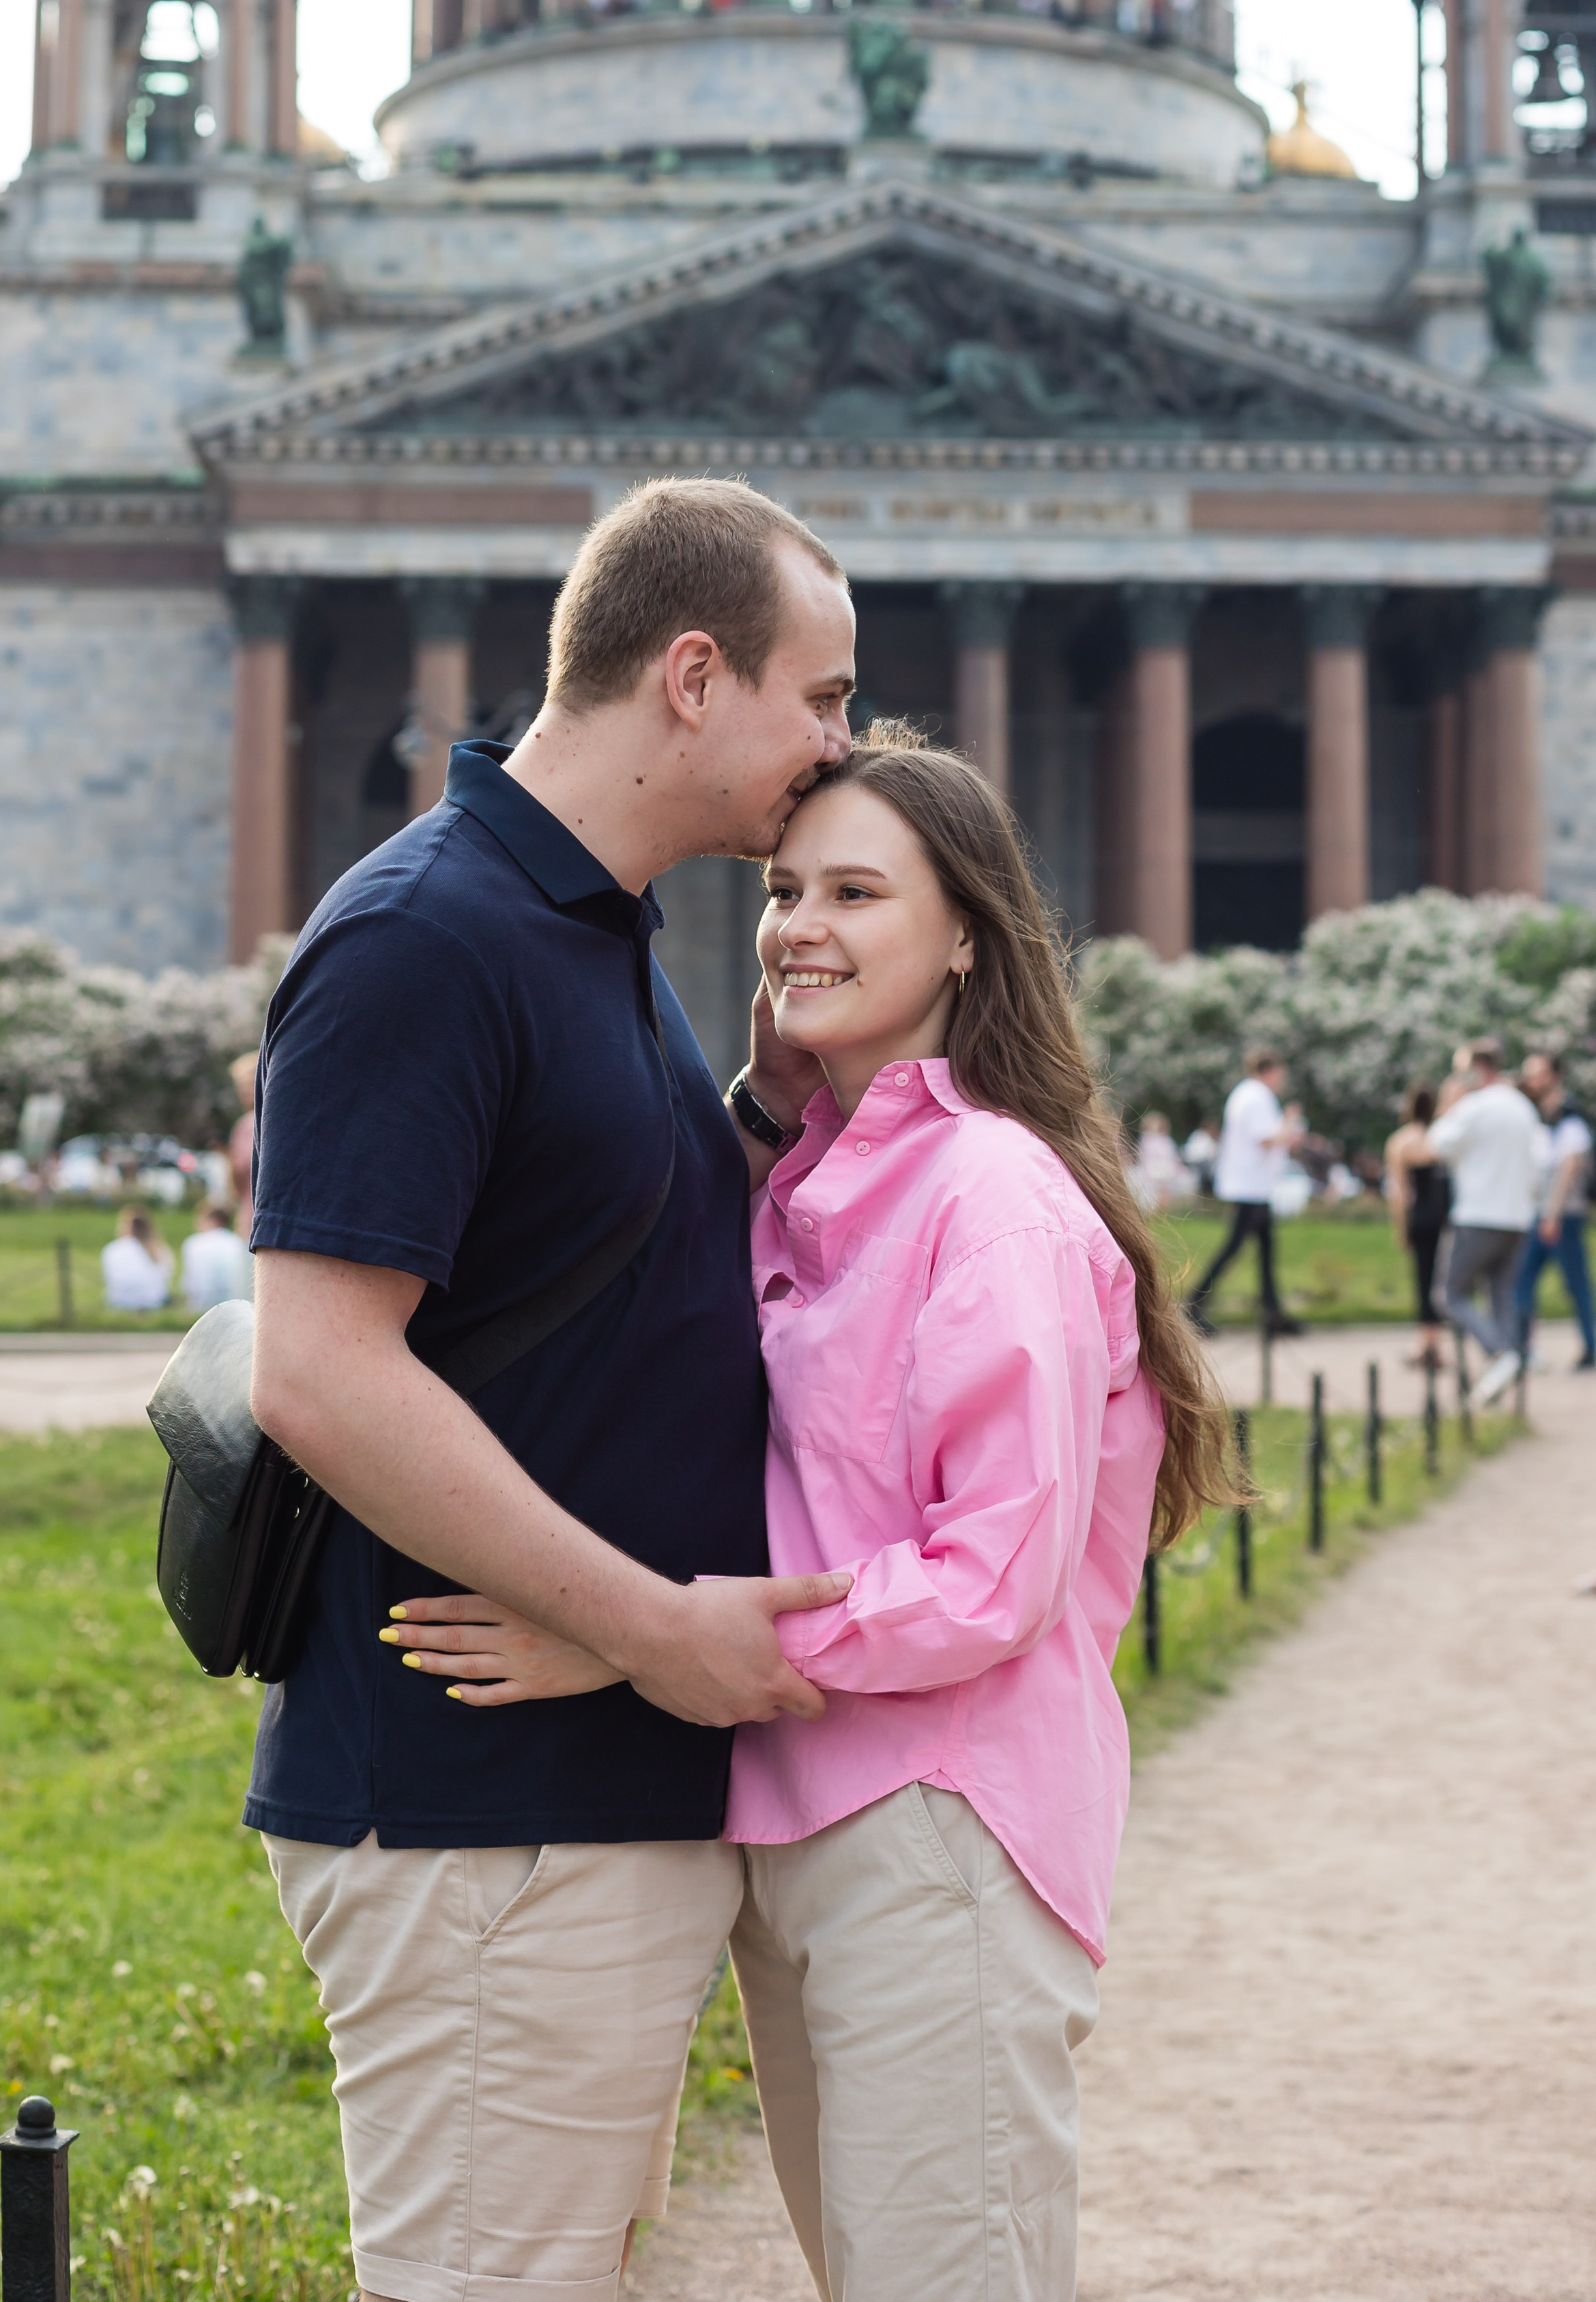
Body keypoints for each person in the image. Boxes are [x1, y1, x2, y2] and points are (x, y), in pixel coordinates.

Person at [392, 727, 1232, 2302]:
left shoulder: (990, 1187)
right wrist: (761, 1118)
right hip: (803, 1817)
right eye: (785, 888)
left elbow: (990, 1573)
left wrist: (652, 1642)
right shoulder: (819, 1176)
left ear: (965, 931)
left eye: (856, 890)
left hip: (938, 1817)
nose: (798, 925)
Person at [244, 476, 859, 2301]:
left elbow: (582, 1276)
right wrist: (657, 1629)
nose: (839, 746)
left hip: (564, 1808)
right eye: (820, 696)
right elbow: (322, 1373)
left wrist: (751, 1120)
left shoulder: (592, 928)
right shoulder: (430, 937)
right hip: (477, 1807)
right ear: (692, 676)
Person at [1425, 1037, 1541, 1407]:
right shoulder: (1523, 1108)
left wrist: (1450, 1104)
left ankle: (1501, 1353)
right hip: (1518, 1216)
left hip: (1478, 1214)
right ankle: (1501, 1372)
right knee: (1502, 1295)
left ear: (1477, 1068)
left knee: (1449, 1293)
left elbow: (1437, 1143)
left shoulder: (1474, 1106)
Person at [1185, 1048, 1305, 1336]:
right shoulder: (1255, 1097)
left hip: (1254, 1186)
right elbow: (1267, 1138)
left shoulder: (1251, 1095)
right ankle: (1194, 1305)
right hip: (1250, 1186)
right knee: (1234, 1247)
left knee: (1265, 1249)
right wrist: (1290, 1120)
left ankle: (1272, 1312)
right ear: (1270, 1070)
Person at [1515, 1052, 1596, 1372]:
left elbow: (1570, 1166)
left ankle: (1591, 1345)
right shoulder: (1538, 1117)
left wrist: (1552, 1213)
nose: (1531, 1080)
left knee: (1575, 1283)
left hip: (1562, 1216)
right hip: (1540, 1215)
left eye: (1538, 1074)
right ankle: (1521, 1346)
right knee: (1522, 1281)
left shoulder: (1569, 1117)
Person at [1384, 1080, 1452, 1370]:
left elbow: (1398, 1191)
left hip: (1421, 1217)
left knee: (1424, 1280)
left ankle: (1427, 1342)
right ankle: (1435, 1342)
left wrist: (1400, 1228)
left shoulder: (1400, 1142)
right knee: (1442, 1281)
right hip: (1445, 1216)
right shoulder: (1442, 1137)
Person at [180, 1200, 252, 1312]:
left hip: (201, 1304)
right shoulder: (237, 1242)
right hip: (235, 1303)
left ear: (211, 1220)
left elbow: (189, 1282)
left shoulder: (194, 1243)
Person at [100, 1206, 174, 1312]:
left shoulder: (113, 1249)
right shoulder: (160, 1249)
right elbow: (166, 1278)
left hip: (120, 1303)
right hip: (154, 1302)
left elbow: (109, 1279)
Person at [227, 1052, 258, 1243]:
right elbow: (235, 1184)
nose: (244, 1091)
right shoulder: (243, 1126)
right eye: (241, 1086)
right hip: (248, 1220)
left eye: (248, 1083)